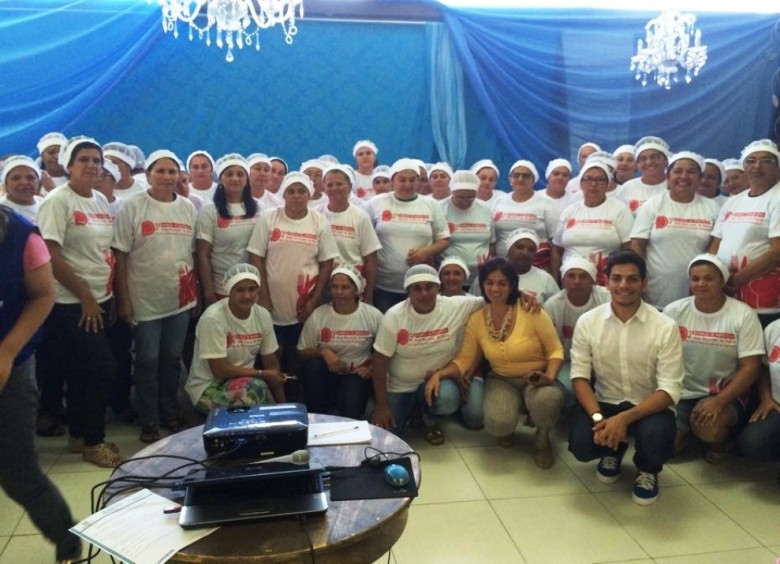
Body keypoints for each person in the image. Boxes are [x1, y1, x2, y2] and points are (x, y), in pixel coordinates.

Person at [567, 250, 684, 505]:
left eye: (632, 279)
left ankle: (648, 470)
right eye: (616, 278)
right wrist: (600, 420)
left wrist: (623, 419)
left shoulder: (665, 326)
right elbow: (579, 377)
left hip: (649, 406)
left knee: (656, 439)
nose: (624, 285)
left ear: (644, 283)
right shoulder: (588, 322)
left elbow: (669, 390)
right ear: (606, 282)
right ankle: (613, 448)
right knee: (581, 445)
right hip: (605, 403)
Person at [0, 205, 83, 563]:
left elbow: (43, 293)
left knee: (18, 473)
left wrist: (6, 351)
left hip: (11, 363)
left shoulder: (22, 236)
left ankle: (67, 544)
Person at [36, 135, 124, 467]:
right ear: (69, 166)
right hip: (70, 302)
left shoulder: (100, 201)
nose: (91, 166)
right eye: (83, 160)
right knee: (102, 368)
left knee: (81, 370)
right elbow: (50, 254)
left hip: (100, 297)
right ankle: (94, 443)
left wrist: (108, 294)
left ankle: (78, 436)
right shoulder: (58, 201)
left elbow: (104, 253)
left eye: (96, 161)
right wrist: (86, 297)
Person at [430, 258, 564, 468]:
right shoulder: (477, 317)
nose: (495, 288)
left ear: (512, 285)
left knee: (546, 401)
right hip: (502, 378)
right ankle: (515, 411)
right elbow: (465, 359)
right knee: (497, 426)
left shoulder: (532, 310)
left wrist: (549, 377)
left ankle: (543, 439)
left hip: (538, 377)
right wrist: (440, 374)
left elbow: (555, 349)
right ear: (482, 285)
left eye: (502, 283)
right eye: (489, 282)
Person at [114, 149, 199, 444]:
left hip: (179, 299)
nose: (166, 176)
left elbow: (190, 254)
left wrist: (194, 292)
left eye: (172, 171)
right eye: (160, 171)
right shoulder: (132, 207)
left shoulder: (188, 207)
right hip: (143, 299)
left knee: (172, 358)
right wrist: (124, 300)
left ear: (179, 176)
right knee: (148, 360)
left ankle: (170, 412)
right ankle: (149, 419)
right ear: (148, 174)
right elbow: (121, 257)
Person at [663, 254, 763, 463]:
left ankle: (717, 442)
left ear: (722, 281)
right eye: (695, 278)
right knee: (663, 447)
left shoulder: (743, 315)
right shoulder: (674, 310)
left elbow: (751, 367)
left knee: (709, 428)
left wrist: (719, 402)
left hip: (723, 394)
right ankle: (685, 429)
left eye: (709, 278)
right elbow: (659, 356)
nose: (701, 284)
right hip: (681, 392)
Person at [371, 265, 485, 443]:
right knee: (383, 440)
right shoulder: (394, 316)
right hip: (400, 385)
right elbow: (379, 363)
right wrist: (382, 405)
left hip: (435, 381)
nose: (424, 293)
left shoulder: (455, 306)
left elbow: (494, 298)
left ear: (438, 288)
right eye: (417, 288)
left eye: (429, 287)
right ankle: (412, 411)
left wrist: (521, 295)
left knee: (448, 397)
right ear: (408, 292)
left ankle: (429, 420)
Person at [247, 171, 339, 374]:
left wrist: (314, 300)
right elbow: (256, 257)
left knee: (297, 358)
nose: (296, 195)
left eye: (301, 191)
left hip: (303, 306)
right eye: (291, 191)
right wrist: (263, 296)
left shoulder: (319, 221)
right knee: (272, 355)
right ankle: (275, 398)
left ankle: (294, 399)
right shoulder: (269, 218)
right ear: (284, 194)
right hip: (270, 303)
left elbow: (326, 262)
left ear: (309, 194)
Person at [185, 263, 286, 413]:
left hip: (246, 382)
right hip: (208, 386)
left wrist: (283, 407)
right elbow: (219, 370)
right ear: (229, 291)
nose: (247, 296)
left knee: (266, 400)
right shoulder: (213, 318)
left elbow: (271, 364)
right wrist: (262, 374)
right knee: (256, 391)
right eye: (240, 290)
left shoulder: (262, 315)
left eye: (252, 289)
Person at [630, 151, 720, 309]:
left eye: (691, 172)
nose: (684, 177)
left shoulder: (712, 207)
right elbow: (637, 244)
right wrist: (638, 281)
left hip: (697, 291)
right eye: (677, 171)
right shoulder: (653, 205)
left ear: (699, 177)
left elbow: (714, 248)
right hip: (655, 290)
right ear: (668, 176)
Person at [709, 139, 780, 328]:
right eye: (751, 161)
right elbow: (716, 243)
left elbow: (777, 252)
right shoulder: (733, 201)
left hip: (764, 299)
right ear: (744, 167)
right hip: (727, 293)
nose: (757, 166)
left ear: (777, 167)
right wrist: (713, 277)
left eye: (766, 161)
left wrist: (733, 281)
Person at [364, 158, 450, 313]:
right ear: (392, 181)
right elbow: (364, 241)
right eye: (402, 180)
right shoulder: (375, 203)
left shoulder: (431, 205)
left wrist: (426, 252)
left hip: (421, 285)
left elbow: (444, 239)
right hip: (384, 285)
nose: (407, 185)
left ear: (419, 181)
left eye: (412, 180)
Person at [297, 266, 383, 419]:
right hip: (327, 372)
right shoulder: (320, 314)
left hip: (356, 374)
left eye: (345, 287)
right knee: (312, 367)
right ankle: (317, 418)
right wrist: (323, 351)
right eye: (335, 287)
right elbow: (301, 351)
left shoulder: (372, 315)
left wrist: (372, 367)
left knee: (351, 405)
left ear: (356, 290)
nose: (338, 292)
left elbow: (386, 349)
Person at [552, 160, 633, 284]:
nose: (593, 184)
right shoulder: (569, 211)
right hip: (571, 282)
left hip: (605, 281)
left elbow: (629, 248)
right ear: (581, 184)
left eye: (600, 180)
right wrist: (554, 282)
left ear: (607, 184)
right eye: (588, 179)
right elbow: (556, 250)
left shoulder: (620, 210)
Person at [543, 257, 610, 406]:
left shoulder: (606, 298)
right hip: (569, 361)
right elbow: (547, 346)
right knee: (569, 388)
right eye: (571, 276)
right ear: (563, 280)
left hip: (605, 360)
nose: (577, 281)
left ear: (592, 280)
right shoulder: (553, 306)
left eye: (583, 276)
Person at [196, 153, 259, 307]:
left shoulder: (258, 208)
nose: (235, 178)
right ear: (221, 179)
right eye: (229, 174)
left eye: (240, 174)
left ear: (247, 179)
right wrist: (208, 293)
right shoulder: (209, 210)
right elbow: (202, 255)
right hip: (221, 287)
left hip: (251, 287)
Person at [321, 164, 381, 304]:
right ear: (323, 187)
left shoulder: (360, 217)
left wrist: (369, 296)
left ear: (349, 186)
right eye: (329, 184)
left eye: (339, 184)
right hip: (323, 286)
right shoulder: (318, 215)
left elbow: (371, 259)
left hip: (352, 286)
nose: (334, 188)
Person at [492, 159, 558, 270]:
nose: (520, 179)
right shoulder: (499, 202)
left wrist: (554, 275)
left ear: (534, 180)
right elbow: (492, 240)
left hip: (537, 266)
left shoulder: (546, 203)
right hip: (504, 268)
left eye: (526, 176)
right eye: (516, 175)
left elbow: (555, 244)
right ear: (510, 179)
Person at [439, 169, 494, 286]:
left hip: (480, 277)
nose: (465, 201)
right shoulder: (440, 209)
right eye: (460, 197)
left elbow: (491, 243)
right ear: (451, 192)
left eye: (470, 197)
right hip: (450, 279)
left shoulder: (486, 209)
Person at [737, 318, 780, 462]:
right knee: (753, 443)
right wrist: (767, 398)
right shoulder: (774, 328)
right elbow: (763, 368)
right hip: (778, 406)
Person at [614, 136, 670, 216]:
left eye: (653, 157)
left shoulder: (675, 187)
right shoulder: (627, 188)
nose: (648, 162)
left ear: (666, 161)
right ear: (638, 164)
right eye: (643, 159)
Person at [503, 228, 559, 303]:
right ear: (509, 250)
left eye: (531, 249)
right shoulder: (494, 275)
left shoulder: (546, 279)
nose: (525, 252)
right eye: (520, 247)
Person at [0, 155, 44, 223]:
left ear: (39, 182)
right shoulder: (2, 211)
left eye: (30, 178)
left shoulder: (44, 203)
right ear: (5, 184)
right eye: (16, 178)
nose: (24, 183)